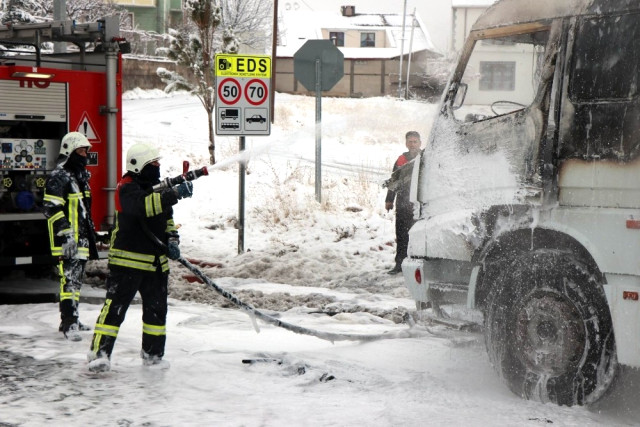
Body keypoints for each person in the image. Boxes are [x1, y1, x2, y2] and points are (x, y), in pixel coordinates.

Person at [87, 143, 193, 372]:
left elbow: (167, 219)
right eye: (153, 164)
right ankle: (99, 355)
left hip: (156, 264)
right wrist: (174, 194)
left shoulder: (156, 189)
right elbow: (144, 207)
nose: (158, 167)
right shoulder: (126, 188)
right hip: (127, 263)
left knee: (156, 313)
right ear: (138, 166)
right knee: (114, 311)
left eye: (157, 163)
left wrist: (173, 240)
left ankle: (153, 356)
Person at [43, 132, 99, 341]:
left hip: (80, 239)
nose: (85, 155)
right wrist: (66, 233)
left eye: (86, 151)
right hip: (66, 240)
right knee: (68, 281)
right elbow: (51, 207)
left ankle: (73, 318)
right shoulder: (60, 176)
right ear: (70, 152)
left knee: (76, 282)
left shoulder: (79, 176)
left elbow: (84, 211)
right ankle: (68, 323)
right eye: (82, 151)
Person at [385, 131, 422, 274]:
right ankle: (399, 264)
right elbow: (394, 180)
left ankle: (417, 266)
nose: (412, 144)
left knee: (418, 236)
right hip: (402, 203)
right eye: (410, 142)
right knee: (401, 235)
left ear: (420, 143)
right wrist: (389, 199)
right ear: (406, 143)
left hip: (420, 204)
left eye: (415, 141)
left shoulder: (425, 157)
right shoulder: (401, 160)